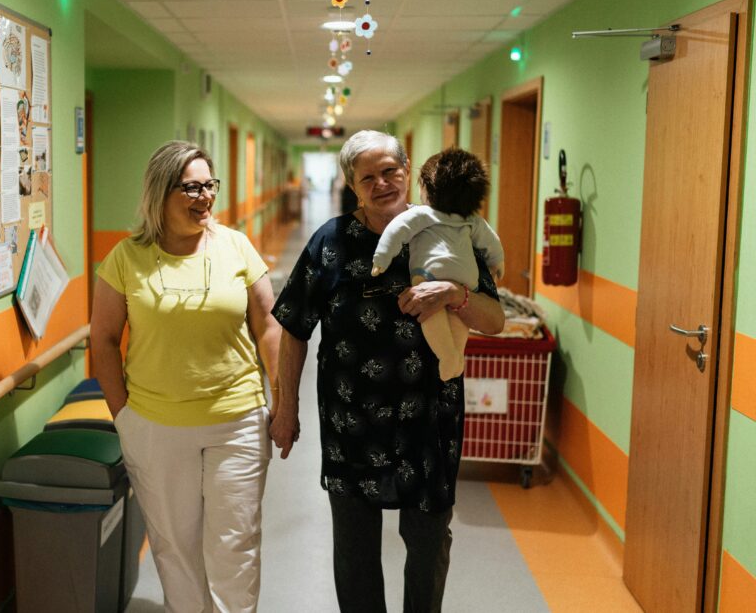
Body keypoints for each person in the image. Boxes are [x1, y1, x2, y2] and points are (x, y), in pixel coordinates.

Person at [269, 130, 504, 613]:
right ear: (353, 187)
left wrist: (454, 296)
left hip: (430, 424)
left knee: (428, 544)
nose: (381, 184)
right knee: (354, 554)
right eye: (367, 177)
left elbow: (495, 320)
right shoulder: (330, 243)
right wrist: (285, 408)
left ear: (407, 170)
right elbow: (294, 327)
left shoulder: (452, 230)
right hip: (350, 425)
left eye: (390, 171)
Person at [91, 140, 280, 613]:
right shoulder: (125, 259)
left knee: (235, 545)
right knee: (174, 548)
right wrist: (124, 416)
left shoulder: (236, 246)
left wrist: (282, 403)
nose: (205, 197)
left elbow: (269, 327)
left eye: (209, 185)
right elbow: (104, 339)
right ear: (161, 192)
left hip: (237, 420)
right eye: (191, 187)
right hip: (155, 425)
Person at [371, 147, 504, 380]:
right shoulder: (472, 220)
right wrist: (497, 262)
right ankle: (456, 356)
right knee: (457, 318)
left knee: (430, 314)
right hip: (467, 279)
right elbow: (492, 242)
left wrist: (381, 258)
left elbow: (396, 230)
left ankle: (448, 356)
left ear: (427, 188)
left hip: (428, 273)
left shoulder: (423, 214)